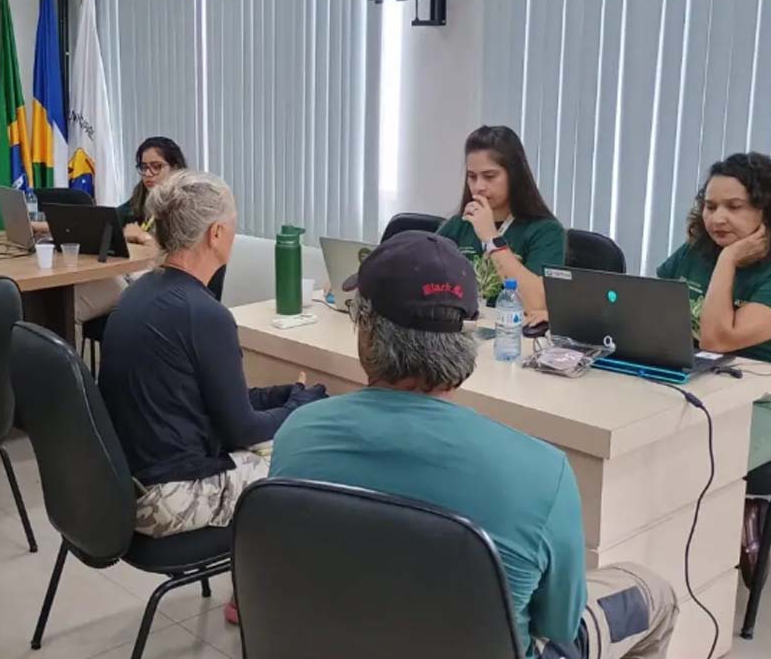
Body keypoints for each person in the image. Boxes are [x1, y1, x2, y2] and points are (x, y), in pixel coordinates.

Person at [271, 231, 678, 659]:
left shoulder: (299, 433)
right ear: (469, 340)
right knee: (652, 592)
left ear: (367, 335)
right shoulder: (543, 473)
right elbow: (558, 625)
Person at [99, 170, 326, 619]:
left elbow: (212, 399)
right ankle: (266, 603)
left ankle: (252, 589)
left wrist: (284, 396)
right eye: (234, 224)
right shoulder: (205, 314)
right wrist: (299, 407)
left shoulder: (140, 295)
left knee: (275, 439)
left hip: (126, 484)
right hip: (167, 499)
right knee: (304, 462)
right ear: (216, 233)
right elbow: (241, 430)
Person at [657, 152, 771, 584]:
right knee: (642, 449)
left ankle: (705, 560)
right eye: (710, 206)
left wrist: (728, 261)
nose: (717, 218)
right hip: (704, 380)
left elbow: (718, 337)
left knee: (698, 460)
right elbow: (653, 309)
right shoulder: (694, 253)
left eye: (735, 206)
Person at [436, 125, 565, 315]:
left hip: (511, 330)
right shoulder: (458, 225)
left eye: (489, 176)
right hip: (462, 328)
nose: (478, 186)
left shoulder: (546, 232)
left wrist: (491, 238)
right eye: (472, 177)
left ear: (514, 176)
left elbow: (537, 304)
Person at [75, 136, 189, 323]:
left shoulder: (187, 204)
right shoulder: (141, 198)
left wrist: (143, 237)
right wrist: (42, 225)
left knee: (71, 308)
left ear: (175, 168)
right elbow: (104, 221)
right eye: (144, 167)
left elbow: (178, 255)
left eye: (156, 167)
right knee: (70, 293)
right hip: (128, 275)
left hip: (160, 283)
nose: (148, 174)